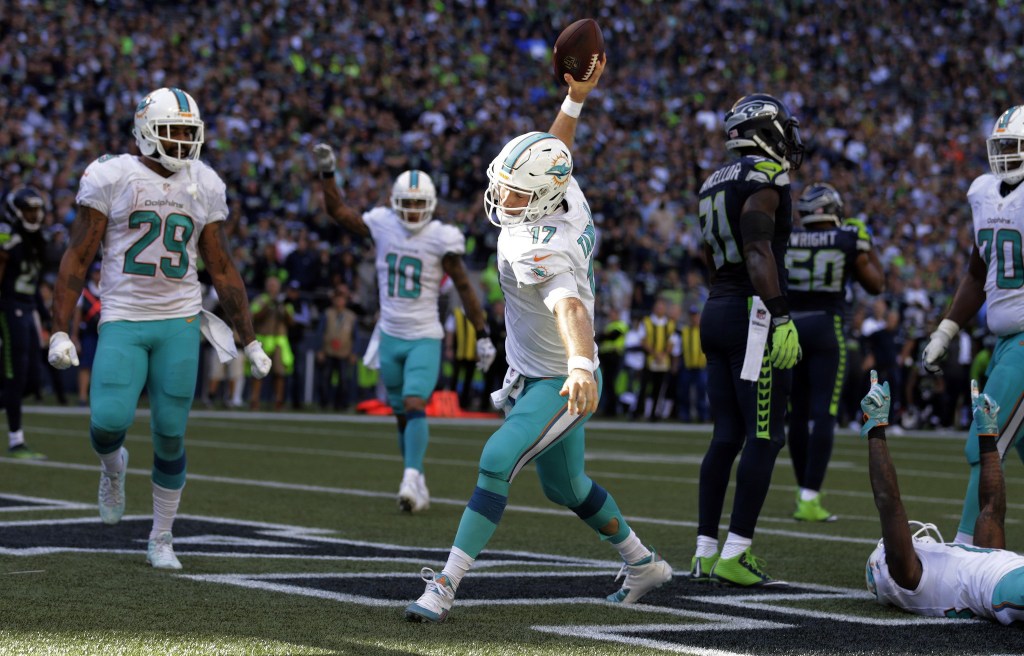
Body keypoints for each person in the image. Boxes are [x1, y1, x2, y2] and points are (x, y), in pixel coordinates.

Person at [405, 56, 672, 624]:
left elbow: (568, 305)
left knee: (497, 458)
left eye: (516, 194)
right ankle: (642, 562)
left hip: (560, 379)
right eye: (503, 187)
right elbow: (557, 152)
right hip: (541, 370)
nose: (504, 199)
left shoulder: (536, 244)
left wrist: (579, 366)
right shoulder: (565, 194)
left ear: (543, 201)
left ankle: (446, 585)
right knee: (567, 487)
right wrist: (575, 99)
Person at [47, 87, 272, 570]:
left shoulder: (204, 183)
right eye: (174, 131)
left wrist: (249, 338)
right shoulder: (112, 174)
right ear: (147, 131)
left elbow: (222, 266)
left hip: (180, 319)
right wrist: (59, 330)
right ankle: (113, 468)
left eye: (190, 133)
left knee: (171, 433)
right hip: (124, 317)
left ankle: (162, 536)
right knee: (108, 422)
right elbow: (77, 256)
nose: (183, 143)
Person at [313, 147, 495, 514]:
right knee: (401, 413)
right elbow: (337, 212)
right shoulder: (382, 223)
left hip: (424, 335)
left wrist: (483, 332)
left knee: (414, 403)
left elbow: (463, 285)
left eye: (418, 204)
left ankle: (410, 476)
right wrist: (329, 173)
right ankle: (418, 476)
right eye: (406, 204)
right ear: (395, 203)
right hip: (390, 334)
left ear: (430, 204)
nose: (412, 211)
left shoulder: (441, 237)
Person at [691, 93, 804, 587]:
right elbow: (758, 249)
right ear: (766, 131)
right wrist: (778, 314)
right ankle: (736, 553)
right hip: (750, 315)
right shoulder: (765, 177)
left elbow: (713, 257)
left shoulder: (712, 181)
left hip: (716, 308)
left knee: (725, 436)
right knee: (765, 433)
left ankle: (703, 550)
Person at [921, 105, 1024, 545]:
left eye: (1013, 147)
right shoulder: (983, 193)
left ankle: (966, 549)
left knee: (983, 442)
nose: (1005, 156)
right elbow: (977, 272)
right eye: (1000, 147)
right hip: (1003, 340)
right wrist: (947, 329)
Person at [861, 372, 1024, 624]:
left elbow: (991, 508)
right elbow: (888, 501)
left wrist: (988, 435)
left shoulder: (969, 561)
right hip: (1003, 589)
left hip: (1008, 576)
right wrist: (875, 429)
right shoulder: (909, 576)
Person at [784, 183, 884, 522]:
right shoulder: (846, 238)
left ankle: (803, 492)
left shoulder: (788, 236)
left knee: (796, 414)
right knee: (824, 411)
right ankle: (810, 497)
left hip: (790, 329)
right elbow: (875, 284)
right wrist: (866, 244)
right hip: (827, 327)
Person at [0, 187, 49, 459]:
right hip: (9, 308)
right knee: (14, 376)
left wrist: (44, 314)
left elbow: (35, 281)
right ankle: (16, 439)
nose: (34, 214)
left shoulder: (35, 238)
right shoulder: (8, 235)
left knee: (32, 380)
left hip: (28, 307)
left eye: (36, 209)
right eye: (28, 209)